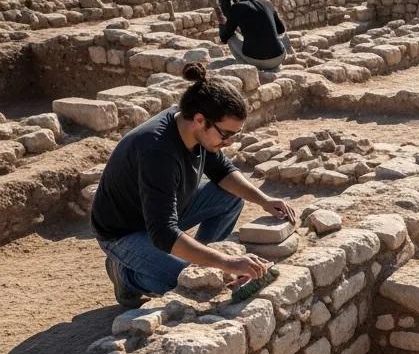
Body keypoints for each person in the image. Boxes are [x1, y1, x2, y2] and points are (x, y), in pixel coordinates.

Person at [91, 61, 296, 307]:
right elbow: (163, 232)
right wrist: (227, 263)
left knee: (229, 197)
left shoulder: (192, 129)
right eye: (227, 134)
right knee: (186, 284)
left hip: (164, 213)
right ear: (200, 120)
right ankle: (125, 275)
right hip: (125, 232)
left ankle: (198, 261)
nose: (230, 142)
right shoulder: (157, 151)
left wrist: (264, 200)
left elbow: (222, 172)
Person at [220, 0, 295, 71]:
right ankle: (274, 65)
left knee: (231, 37)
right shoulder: (268, 3)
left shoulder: (236, 7)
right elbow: (281, 30)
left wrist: (222, 25)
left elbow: (224, 38)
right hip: (279, 57)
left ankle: (246, 67)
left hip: (256, 61)